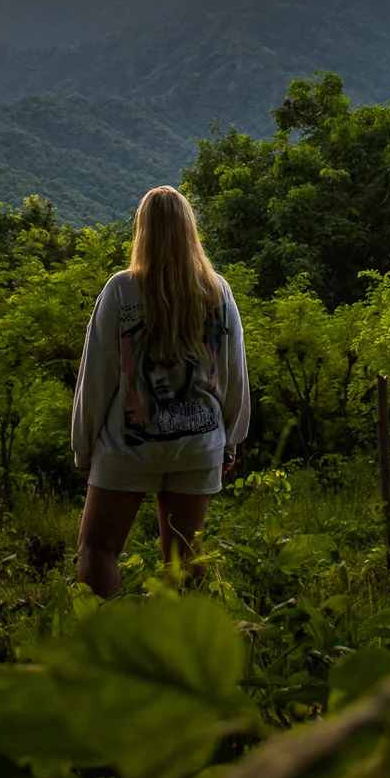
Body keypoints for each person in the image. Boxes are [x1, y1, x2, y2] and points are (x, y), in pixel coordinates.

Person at [71, 185, 249, 597]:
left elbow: (97, 377)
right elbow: (234, 374)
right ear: (191, 231)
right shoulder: (217, 292)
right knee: (185, 560)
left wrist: (83, 447)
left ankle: (104, 651)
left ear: (143, 232)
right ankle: (184, 654)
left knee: (97, 549)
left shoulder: (122, 290)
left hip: (127, 447)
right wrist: (230, 442)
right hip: (199, 446)